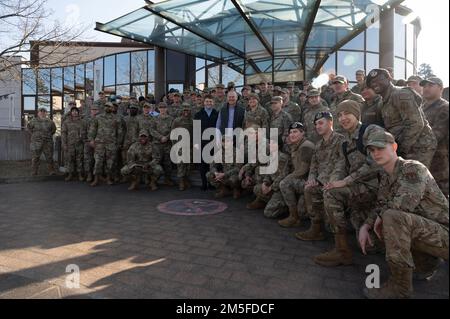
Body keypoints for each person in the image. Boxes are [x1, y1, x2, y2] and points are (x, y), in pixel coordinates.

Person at [359, 130, 448, 299]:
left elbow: (403, 205)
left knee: (393, 217)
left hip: (444, 233)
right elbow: (381, 205)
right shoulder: (387, 176)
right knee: (386, 220)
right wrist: (366, 225)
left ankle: (400, 289)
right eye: (372, 150)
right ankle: (425, 263)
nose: (376, 153)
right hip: (429, 234)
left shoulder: (413, 168)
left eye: (380, 148)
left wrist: (381, 217)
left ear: (394, 147)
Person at [313, 100, 381, 267]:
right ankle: (342, 249)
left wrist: (345, 181)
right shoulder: (346, 141)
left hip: (379, 189)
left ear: (357, 114)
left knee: (374, 246)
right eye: (340, 115)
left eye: (347, 113)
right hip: (361, 188)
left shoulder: (371, 131)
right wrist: (332, 182)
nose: (343, 118)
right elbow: (341, 166)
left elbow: (375, 163)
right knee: (330, 191)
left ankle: (343, 252)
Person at [366, 68, 437, 168]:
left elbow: (415, 124)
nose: (374, 84)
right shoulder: (382, 102)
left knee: (414, 180)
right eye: (372, 82)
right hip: (404, 146)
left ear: (388, 78)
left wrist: (400, 149)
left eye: (379, 79)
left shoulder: (400, 94)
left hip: (419, 146)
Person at [295, 111, 344, 241]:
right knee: (308, 189)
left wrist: (320, 180)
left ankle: (340, 242)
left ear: (331, 122)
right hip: (319, 182)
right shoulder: (318, 145)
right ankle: (316, 229)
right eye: (316, 124)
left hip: (335, 182)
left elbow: (340, 164)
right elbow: (314, 165)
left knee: (324, 193)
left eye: (321, 123)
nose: (318, 126)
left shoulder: (341, 140)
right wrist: (311, 178)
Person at [278, 122, 315, 228]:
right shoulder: (296, 145)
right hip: (302, 181)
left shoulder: (306, 146)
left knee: (285, 183)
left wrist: (287, 178)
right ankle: (294, 216)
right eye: (290, 132)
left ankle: (294, 217)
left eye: (295, 132)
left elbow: (303, 170)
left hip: (309, 182)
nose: (292, 134)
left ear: (302, 133)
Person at [420, 77, 449, 197]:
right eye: (424, 86)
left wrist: (415, 142)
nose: (426, 88)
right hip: (423, 157)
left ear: (440, 88)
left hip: (438, 161)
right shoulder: (421, 107)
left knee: (440, 196)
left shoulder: (445, 107)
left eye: (430, 86)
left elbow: (436, 135)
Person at [246, 138, 291, 215]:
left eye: (273, 143)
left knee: (268, 213)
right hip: (273, 186)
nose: (270, 145)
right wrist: (265, 183)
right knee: (257, 188)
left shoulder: (283, 158)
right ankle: (266, 201)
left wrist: (270, 188)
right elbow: (268, 172)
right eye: (270, 143)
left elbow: (282, 176)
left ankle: (285, 207)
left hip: (279, 188)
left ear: (278, 146)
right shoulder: (271, 156)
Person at [88, 102, 123, 186]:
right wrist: (91, 140)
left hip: (111, 143)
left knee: (110, 163)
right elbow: (92, 130)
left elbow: (120, 132)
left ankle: (108, 178)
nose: (107, 108)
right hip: (99, 143)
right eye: (106, 106)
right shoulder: (98, 117)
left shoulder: (116, 119)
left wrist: (118, 143)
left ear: (112, 108)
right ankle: (96, 179)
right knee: (98, 162)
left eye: (109, 106)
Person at [194, 94, 219, 191]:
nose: (209, 103)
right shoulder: (198, 114)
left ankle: (211, 183)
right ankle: (204, 183)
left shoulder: (217, 114)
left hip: (214, 143)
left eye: (210, 101)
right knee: (202, 164)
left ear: (213, 103)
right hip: (201, 142)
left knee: (212, 164)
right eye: (207, 101)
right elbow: (196, 130)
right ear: (204, 102)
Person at [151, 102, 175, 186]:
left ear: (166, 108)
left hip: (167, 144)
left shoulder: (171, 119)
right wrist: (160, 137)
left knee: (168, 163)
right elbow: (152, 130)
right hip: (157, 144)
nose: (162, 109)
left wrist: (166, 137)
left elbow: (173, 130)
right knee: (156, 162)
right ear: (158, 109)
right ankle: (154, 181)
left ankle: (167, 179)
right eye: (161, 107)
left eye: (164, 107)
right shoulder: (154, 118)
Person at [27, 107, 57, 176]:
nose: (42, 113)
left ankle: (51, 171)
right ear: (38, 113)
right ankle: (34, 171)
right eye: (41, 111)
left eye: (44, 112)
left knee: (49, 157)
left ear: (46, 113)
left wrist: (47, 135)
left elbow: (53, 130)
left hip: (47, 142)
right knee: (35, 157)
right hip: (36, 143)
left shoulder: (50, 121)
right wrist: (35, 135)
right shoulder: (33, 120)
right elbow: (29, 128)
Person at [171, 103, 193, 191]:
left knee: (188, 164)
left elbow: (195, 133)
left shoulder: (192, 121)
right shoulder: (177, 121)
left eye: (187, 110)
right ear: (182, 111)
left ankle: (186, 179)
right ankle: (181, 182)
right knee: (180, 164)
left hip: (190, 146)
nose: (185, 112)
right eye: (184, 110)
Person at [61, 107, 84, 181]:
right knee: (70, 159)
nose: (75, 112)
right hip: (70, 144)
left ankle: (80, 174)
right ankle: (70, 174)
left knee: (79, 159)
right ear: (71, 112)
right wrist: (64, 144)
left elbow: (85, 132)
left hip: (79, 144)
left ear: (78, 112)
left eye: (76, 111)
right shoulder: (66, 122)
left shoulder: (82, 121)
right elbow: (63, 133)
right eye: (73, 111)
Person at [82, 104, 99, 183]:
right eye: (93, 109)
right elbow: (83, 131)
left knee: (97, 160)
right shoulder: (86, 119)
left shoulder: (100, 119)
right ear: (90, 110)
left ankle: (97, 175)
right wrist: (86, 140)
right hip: (88, 142)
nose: (94, 111)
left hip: (98, 143)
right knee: (88, 159)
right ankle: (89, 174)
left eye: (96, 109)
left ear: (98, 110)